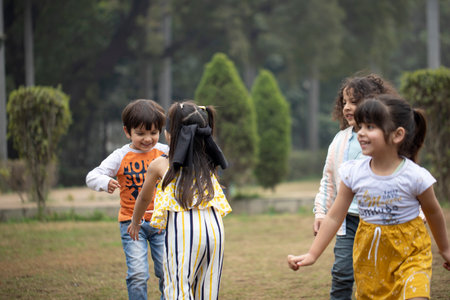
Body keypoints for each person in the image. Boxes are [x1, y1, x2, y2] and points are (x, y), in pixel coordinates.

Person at [289, 94, 450, 299]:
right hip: (370, 257)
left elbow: (434, 212)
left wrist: (445, 249)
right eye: (361, 126)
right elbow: (334, 216)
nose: (361, 134)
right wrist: (312, 254)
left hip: (411, 254)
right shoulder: (353, 173)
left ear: (397, 135)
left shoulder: (416, 177)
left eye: (370, 127)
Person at [128, 101, 232, 300]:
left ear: (170, 134)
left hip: (184, 229)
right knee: (207, 290)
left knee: (178, 288)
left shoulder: (160, 163)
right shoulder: (209, 162)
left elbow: (144, 197)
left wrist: (135, 221)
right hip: (215, 228)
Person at [313, 74, 399, 299]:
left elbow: (405, 180)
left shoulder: (387, 140)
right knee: (341, 273)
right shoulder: (340, 140)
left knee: (377, 276)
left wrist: (417, 213)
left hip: (380, 221)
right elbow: (328, 181)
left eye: (355, 102)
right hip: (346, 222)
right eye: (344, 102)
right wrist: (321, 213)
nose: (347, 108)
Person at [86, 99, 168, 300]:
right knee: (138, 275)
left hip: (162, 224)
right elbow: (92, 176)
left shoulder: (165, 152)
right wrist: (106, 182)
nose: (148, 139)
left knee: (168, 272)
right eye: (140, 133)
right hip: (132, 226)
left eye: (153, 133)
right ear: (127, 131)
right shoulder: (121, 155)